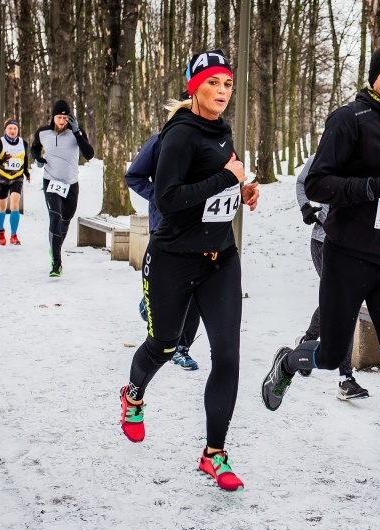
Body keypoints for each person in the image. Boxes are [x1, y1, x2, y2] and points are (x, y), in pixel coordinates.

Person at [260, 44, 380, 497]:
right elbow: (320, 182)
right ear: (375, 77)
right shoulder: (349, 119)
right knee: (329, 356)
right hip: (347, 256)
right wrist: (372, 188)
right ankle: (287, 362)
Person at [119, 49, 259, 492]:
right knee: (164, 345)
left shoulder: (223, 131)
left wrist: (244, 190)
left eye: (227, 84)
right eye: (213, 83)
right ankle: (133, 395)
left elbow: (221, 185)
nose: (221, 91)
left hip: (221, 259)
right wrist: (226, 179)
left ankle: (214, 454)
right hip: (173, 260)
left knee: (228, 356)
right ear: (194, 86)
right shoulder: (179, 134)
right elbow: (168, 199)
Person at [295, 153, 369, 400]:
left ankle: (306, 344)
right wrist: (306, 207)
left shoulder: (370, 157)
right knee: (342, 303)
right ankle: (345, 378)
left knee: (338, 302)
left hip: (354, 245)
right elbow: (301, 182)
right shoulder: (324, 155)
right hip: (323, 242)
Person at [126, 133, 202, 371]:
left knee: (195, 286)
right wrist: (161, 196)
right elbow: (134, 176)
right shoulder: (159, 141)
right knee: (168, 282)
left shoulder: (208, 141)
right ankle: (148, 305)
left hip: (199, 226)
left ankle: (181, 347)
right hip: (165, 225)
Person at [31, 100, 94, 276]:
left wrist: (78, 133)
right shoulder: (43, 132)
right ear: (53, 117)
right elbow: (34, 148)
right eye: (59, 117)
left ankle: (55, 247)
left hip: (71, 183)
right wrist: (37, 158)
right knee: (55, 218)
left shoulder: (76, 133)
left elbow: (89, 154)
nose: (62, 121)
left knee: (65, 222)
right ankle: (56, 263)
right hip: (51, 181)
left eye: (65, 118)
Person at [0, 119, 31, 245]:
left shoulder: (24, 143)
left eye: (15, 129)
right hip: (2, 178)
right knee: (1, 207)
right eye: (10, 128)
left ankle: (13, 235)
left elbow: (24, 158)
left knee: (15, 205)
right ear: (5, 130)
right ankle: (1, 231)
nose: (12, 131)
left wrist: (26, 172)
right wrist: (0, 162)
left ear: (18, 130)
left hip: (17, 177)